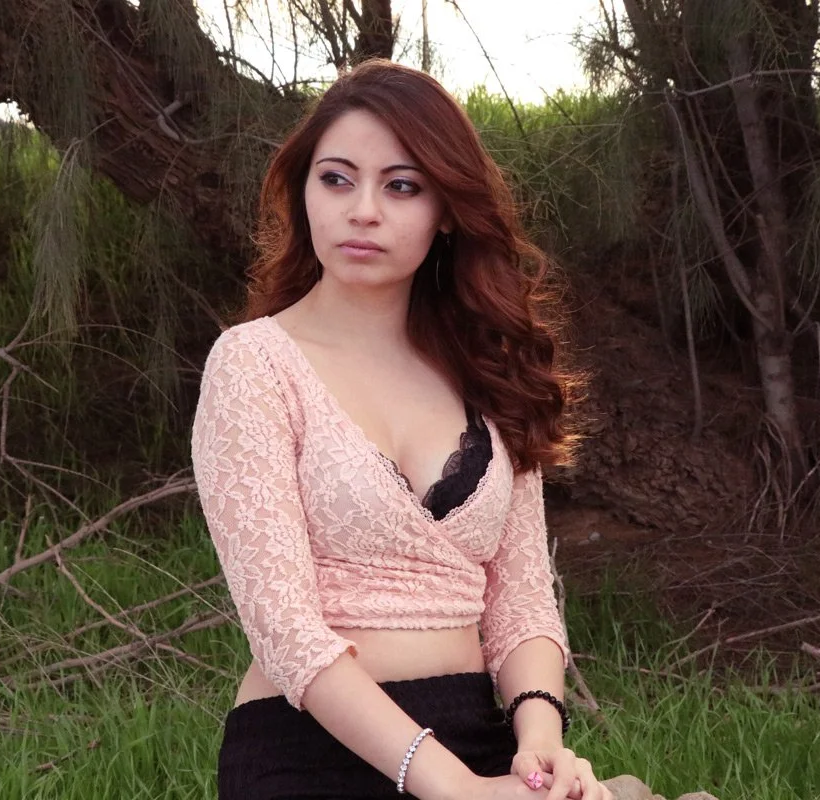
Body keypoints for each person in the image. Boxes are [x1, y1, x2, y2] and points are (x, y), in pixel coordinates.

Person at [190, 58, 612, 800]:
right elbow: (285, 631)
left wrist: (539, 742)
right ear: (303, 192)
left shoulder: (488, 371)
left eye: (402, 186)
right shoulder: (254, 365)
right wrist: (456, 790)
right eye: (337, 178)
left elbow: (520, 604)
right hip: (310, 747)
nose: (363, 211)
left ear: (446, 208)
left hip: (481, 737)